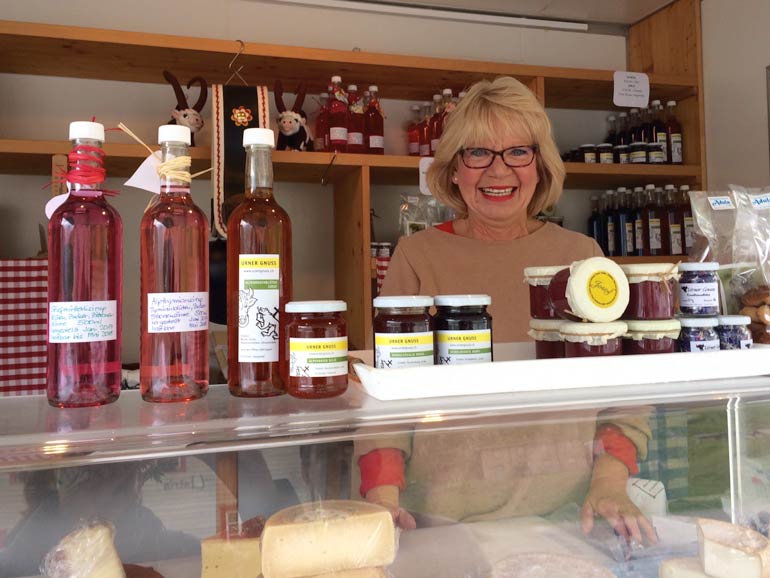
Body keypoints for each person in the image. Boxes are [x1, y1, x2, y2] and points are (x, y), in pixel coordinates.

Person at [354, 76, 655, 546]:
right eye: (477, 153)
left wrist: (610, 484)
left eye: (518, 151)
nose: (499, 171)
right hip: (441, 524)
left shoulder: (584, 256)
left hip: (569, 519)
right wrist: (384, 499)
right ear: (454, 169)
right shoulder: (416, 255)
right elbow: (386, 402)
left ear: (540, 166)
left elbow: (623, 394)